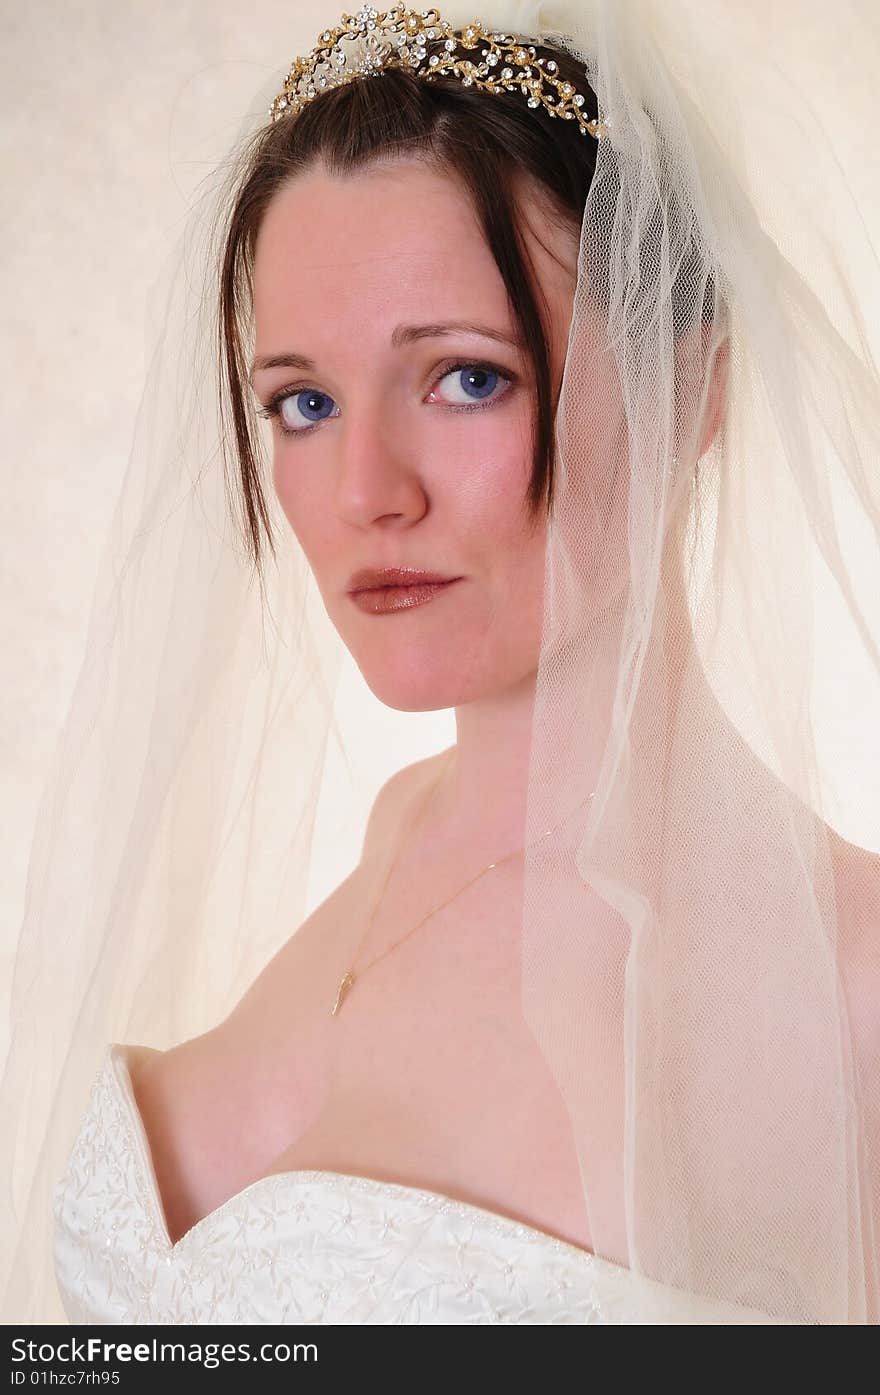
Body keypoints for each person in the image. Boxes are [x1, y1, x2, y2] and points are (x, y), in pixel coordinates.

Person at [4, 0, 880, 1324]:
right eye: (304, 403)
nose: (365, 492)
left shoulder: (853, 989)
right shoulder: (400, 835)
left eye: (468, 378)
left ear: (698, 392)